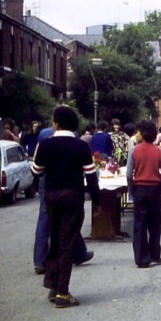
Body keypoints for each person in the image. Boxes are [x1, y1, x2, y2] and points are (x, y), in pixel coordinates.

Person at [32, 106, 101, 308]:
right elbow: (91, 176)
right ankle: (63, 292)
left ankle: (54, 286)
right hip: (73, 196)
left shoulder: (45, 145)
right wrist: (96, 201)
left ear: (56, 123)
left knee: (55, 239)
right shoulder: (80, 146)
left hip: (52, 196)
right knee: (67, 242)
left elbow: (36, 171)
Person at [32, 122, 94, 275]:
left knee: (46, 218)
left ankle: (41, 260)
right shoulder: (73, 139)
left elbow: (36, 162)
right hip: (67, 182)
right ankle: (65, 262)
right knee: (68, 218)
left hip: (47, 180)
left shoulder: (43, 135)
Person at [126, 120, 161, 268]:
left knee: (140, 223)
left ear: (142, 134)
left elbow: (129, 174)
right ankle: (155, 254)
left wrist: (132, 188)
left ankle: (142, 257)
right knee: (155, 223)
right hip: (155, 188)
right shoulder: (159, 151)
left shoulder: (134, 151)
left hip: (140, 188)